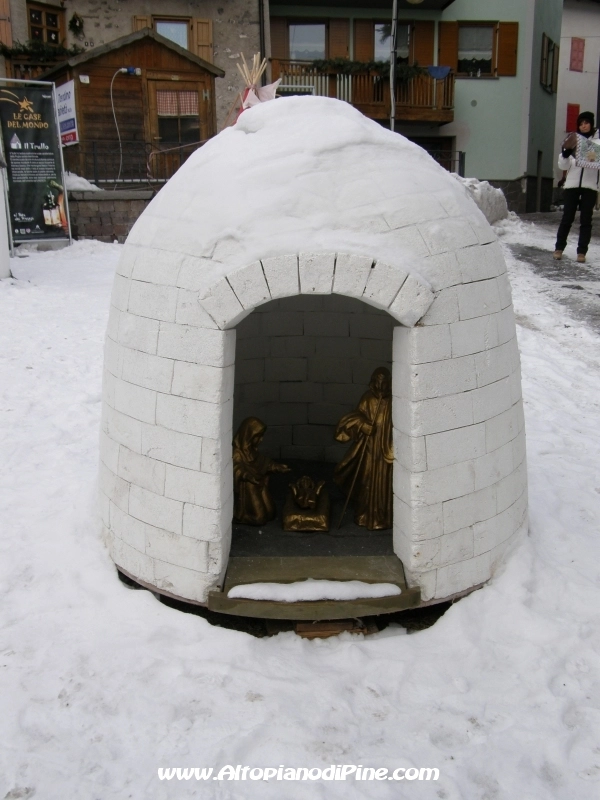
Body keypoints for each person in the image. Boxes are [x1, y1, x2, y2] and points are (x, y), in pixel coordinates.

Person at [333, 367, 394, 530]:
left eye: (384, 382)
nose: (380, 386)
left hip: (385, 451)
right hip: (368, 448)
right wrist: (362, 425)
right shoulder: (367, 399)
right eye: (377, 382)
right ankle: (364, 514)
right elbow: (357, 416)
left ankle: (382, 517)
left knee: (383, 484)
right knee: (366, 480)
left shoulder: (393, 401)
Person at [554, 111, 600, 264]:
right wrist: (565, 155)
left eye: (586, 123)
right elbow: (563, 166)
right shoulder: (573, 139)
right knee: (567, 218)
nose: (583, 126)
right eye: (581, 124)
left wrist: (591, 154)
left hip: (590, 186)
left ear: (591, 124)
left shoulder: (598, 142)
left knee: (586, 220)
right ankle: (559, 248)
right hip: (572, 185)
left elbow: (597, 163)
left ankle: (581, 252)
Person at [232, 417, 290, 525]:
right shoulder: (237, 453)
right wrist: (247, 476)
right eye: (258, 437)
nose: (261, 440)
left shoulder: (252, 451)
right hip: (249, 487)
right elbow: (236, 468)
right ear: (249, 436)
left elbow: (263, 462)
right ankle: (244, 516)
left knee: (271, 512)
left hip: (260, 483)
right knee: (259, 518)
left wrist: (277, 467)